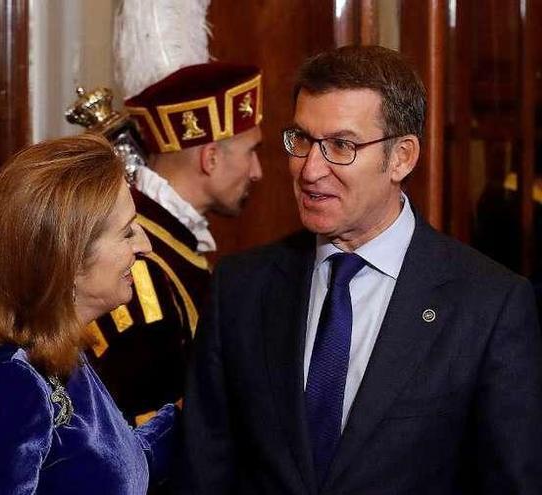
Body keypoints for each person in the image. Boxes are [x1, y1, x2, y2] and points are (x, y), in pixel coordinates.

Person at [180, 45, 542, 494]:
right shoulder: (240, 288)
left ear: (402, 157)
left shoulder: (489, 306)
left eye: (341, 145)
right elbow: (203, 472)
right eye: (302, 140)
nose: (311, 170)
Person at [0, 134, 178, 494]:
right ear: (71, 258)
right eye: (127, 233)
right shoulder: (10, 380)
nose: (145, 245)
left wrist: (199, 409)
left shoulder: (54, 355)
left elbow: (111, 468)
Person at [90, 62, 264, 425]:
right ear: (210, 158)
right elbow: (142, 426)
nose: (257, 171)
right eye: (251, 152)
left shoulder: (174, 238)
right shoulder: (137, 256)